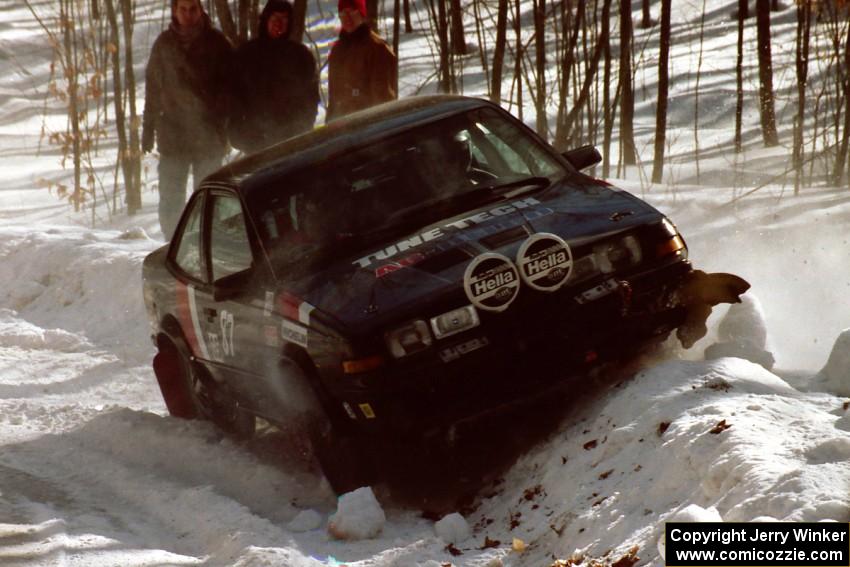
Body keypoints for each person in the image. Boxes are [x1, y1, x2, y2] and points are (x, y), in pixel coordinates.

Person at [142, 0, 232, 240]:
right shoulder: (164, 45)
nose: (189, 15)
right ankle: (173, 250)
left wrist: (222, 120)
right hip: (173, 134)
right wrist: (148, 128)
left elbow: (233, 86)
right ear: (175, 11)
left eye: (193, 8)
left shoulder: (217, 43)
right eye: (183, 9)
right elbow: (152, 88)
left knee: (210, 200)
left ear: (201, 9)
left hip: (209, 135)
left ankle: (211, 248)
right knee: (171, 201)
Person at [229, 0, 319, 154]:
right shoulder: (245, 55)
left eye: (284, 19)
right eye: (274, 18)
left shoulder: (301, 56)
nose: (279, 23)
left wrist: (301, 132)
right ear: (265, 20)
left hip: (291, 142)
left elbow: (310, 100)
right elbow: (233, 99)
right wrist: (239, 135)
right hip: (255, 143)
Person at [327, 0, 397, 121]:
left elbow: (383, 98)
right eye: (343, 13)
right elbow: (333, 98)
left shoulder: (377, 48)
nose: (347, 18)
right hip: (341, 127)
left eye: (352, 12)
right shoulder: (337, 51)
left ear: (361, 14)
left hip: (367, 127)